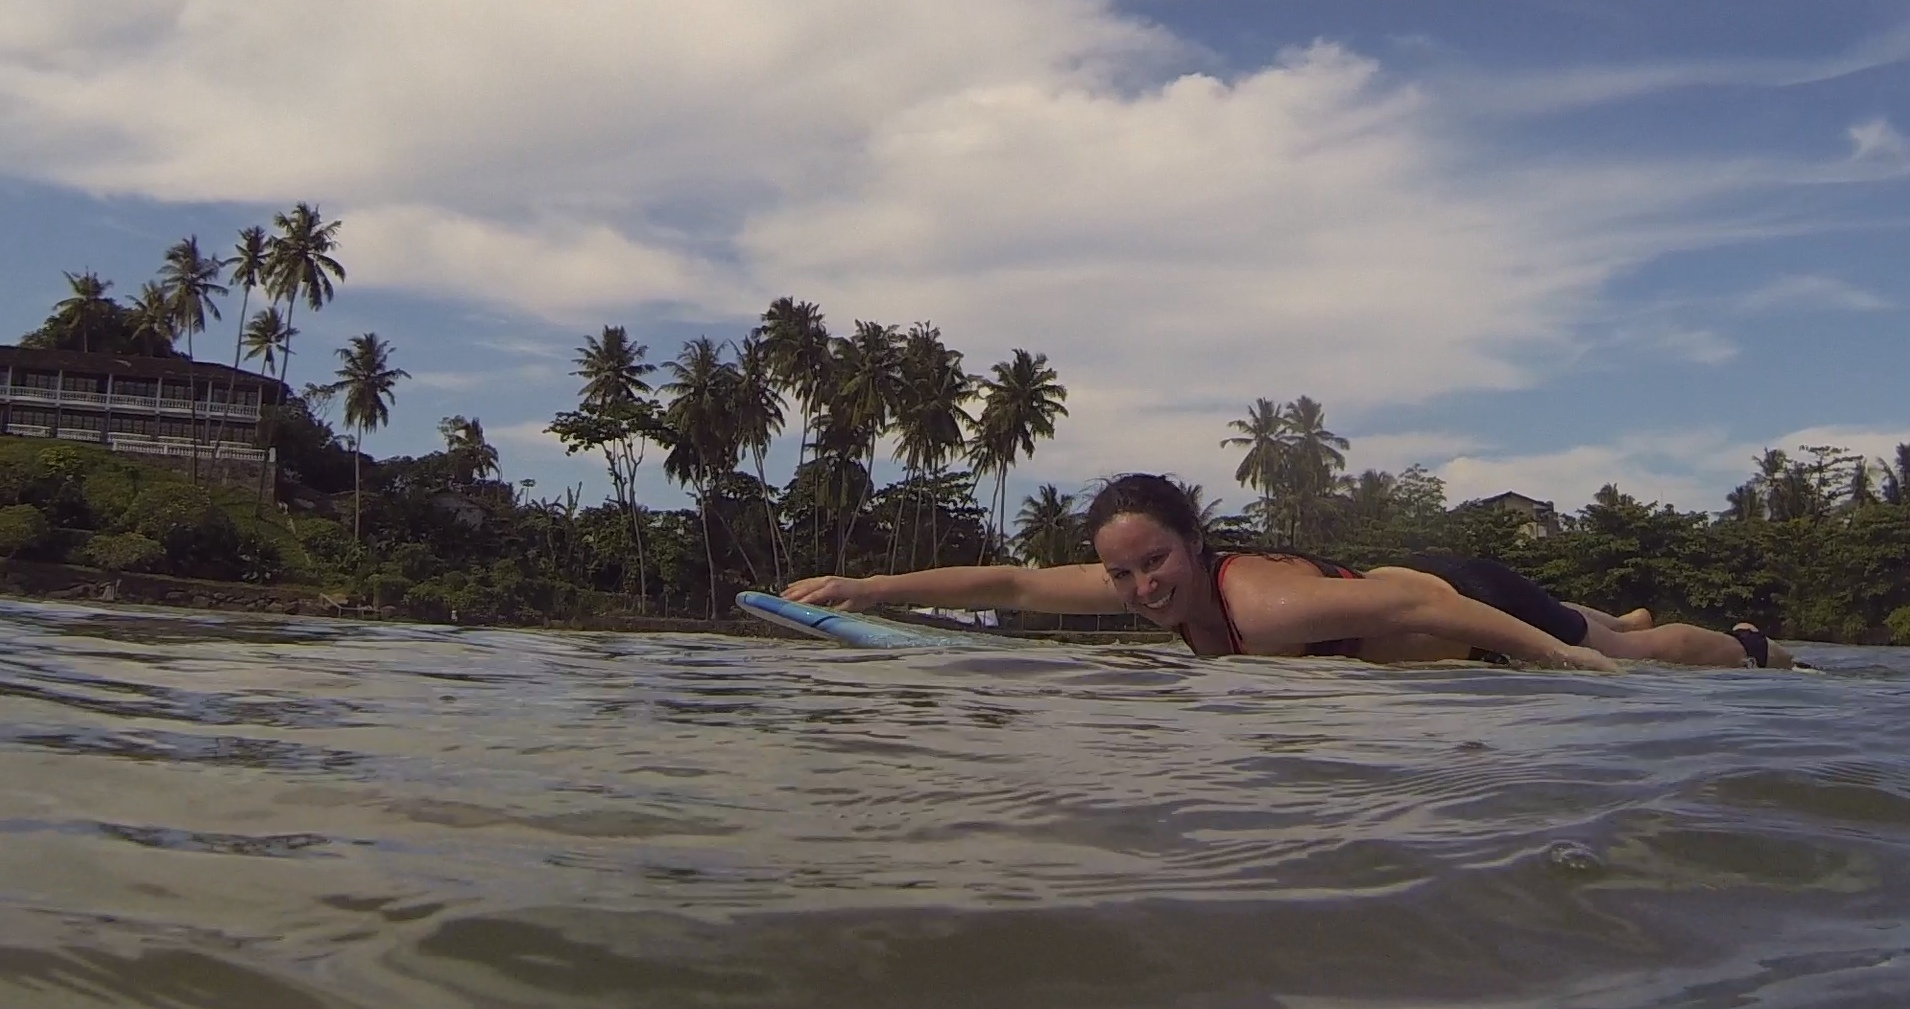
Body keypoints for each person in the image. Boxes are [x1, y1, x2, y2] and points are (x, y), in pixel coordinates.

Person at [781, 473, 1796, 672]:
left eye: (1154, 562)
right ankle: (1604, 616)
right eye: (1123, 574)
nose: (1141, 589)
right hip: (1409, 603)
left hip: (1463, 600)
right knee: (1598, 624)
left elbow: (1429, 603)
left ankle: (1751, 649)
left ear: (1194, 543)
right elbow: (1006, 585)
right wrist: (864, 590)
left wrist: (1566, 661)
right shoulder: (1138, 587)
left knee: (1623, 652)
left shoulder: (1258, 605)